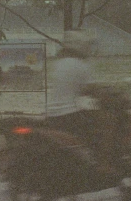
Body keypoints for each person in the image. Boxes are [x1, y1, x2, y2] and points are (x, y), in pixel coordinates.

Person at [46, 30, 115, 173]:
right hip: (70, 114)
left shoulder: (59, 63)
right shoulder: (80, 65)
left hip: (51, 114)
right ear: (82, 46)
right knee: (107, 122)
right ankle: (103, 164)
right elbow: (92, 90)